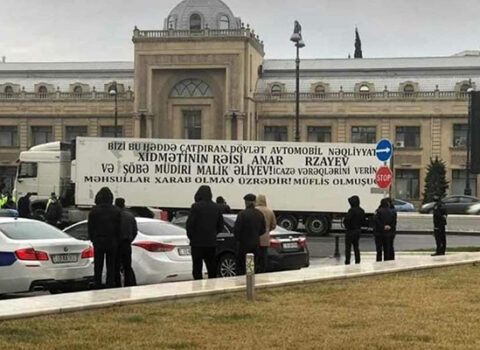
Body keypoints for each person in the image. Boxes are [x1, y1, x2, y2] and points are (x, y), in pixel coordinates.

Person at [186, 185, 224, 280]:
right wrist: (213, 234)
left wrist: (192, 237)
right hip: (211, 242)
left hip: (197, 243)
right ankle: (212, 287)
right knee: (211, 267)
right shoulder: (216, 207)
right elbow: (221, 226)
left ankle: (197, 286)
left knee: (197, 267)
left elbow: (190, 224)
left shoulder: (195, 207)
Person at [88, 187, 121, 288]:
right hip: (112, 241)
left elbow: (90, 227)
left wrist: (93, 239)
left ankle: (97, 282)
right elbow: (119, 227)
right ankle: (109, 283)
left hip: (98, 240)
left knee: (98, 264)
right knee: (111, 265)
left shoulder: (94, 211)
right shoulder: (116, 211)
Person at [234, 194, 265, 275]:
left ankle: (242, 282)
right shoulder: (259, 214)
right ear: (254, 202)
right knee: (251, 265)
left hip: (243, 245)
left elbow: (237, 230)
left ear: (246, 202)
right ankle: (250, 279)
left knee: (241, 266)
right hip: (255, 244)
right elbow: (263, 229)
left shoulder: (242, 214)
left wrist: (239, 239)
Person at [114, 198, 138, 287]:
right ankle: (128, 284)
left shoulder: (114, 215)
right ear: (124, 204)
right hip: (127, 243)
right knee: (127, 266)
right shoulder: (130, 216)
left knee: (115, 266)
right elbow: (135, 231)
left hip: (116, 244)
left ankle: (117, 285)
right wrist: (130, 239)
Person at [255, 194, 276, 273]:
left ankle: (254, 272)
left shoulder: (255, 210)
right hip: (265, 239)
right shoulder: (269, 211)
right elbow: (273, 225)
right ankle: (262, 272)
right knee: (263, 258)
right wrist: (267, 230)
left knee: (254, 257)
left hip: (255, 238)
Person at [343, 195, 365, 265]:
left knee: (348, 247)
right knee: (356, 247)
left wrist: (347, 226)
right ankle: (357, 260)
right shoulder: (361, 210)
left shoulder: (351, 210)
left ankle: (347, 260)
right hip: (358, 230)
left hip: (350, 230)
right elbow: (363, 221)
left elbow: (346, 220)